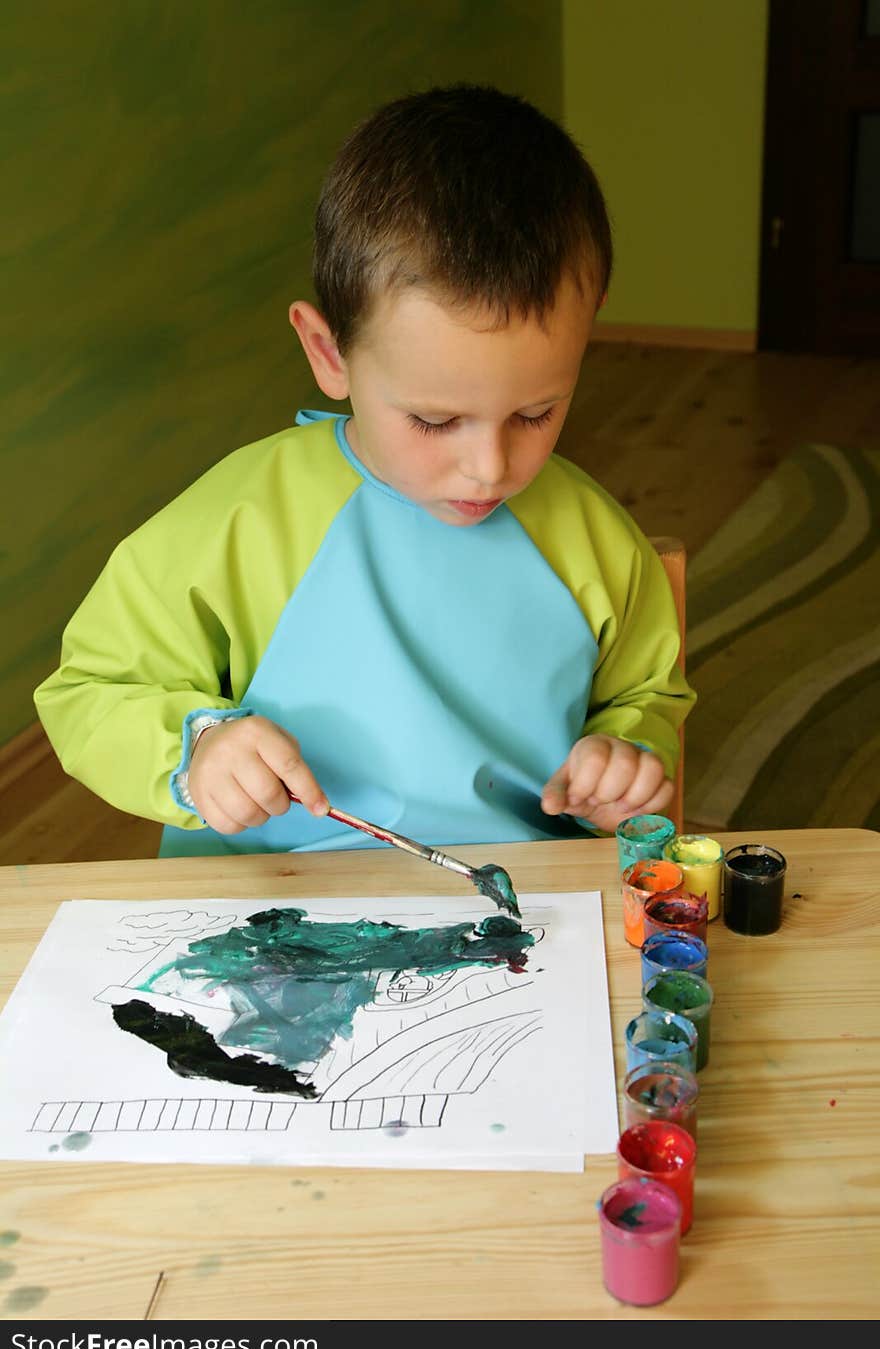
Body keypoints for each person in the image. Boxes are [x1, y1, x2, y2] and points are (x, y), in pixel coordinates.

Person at [34, 84, 695, 859]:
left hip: (524, 910)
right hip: (271, 917)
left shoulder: (594, 543)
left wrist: (626, 755)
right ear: (328, 354)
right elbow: (91, 692)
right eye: (434, 420)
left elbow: (647, 697)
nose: (489, 468)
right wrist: (197, 750)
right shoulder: (238, 523)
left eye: (536, 413)